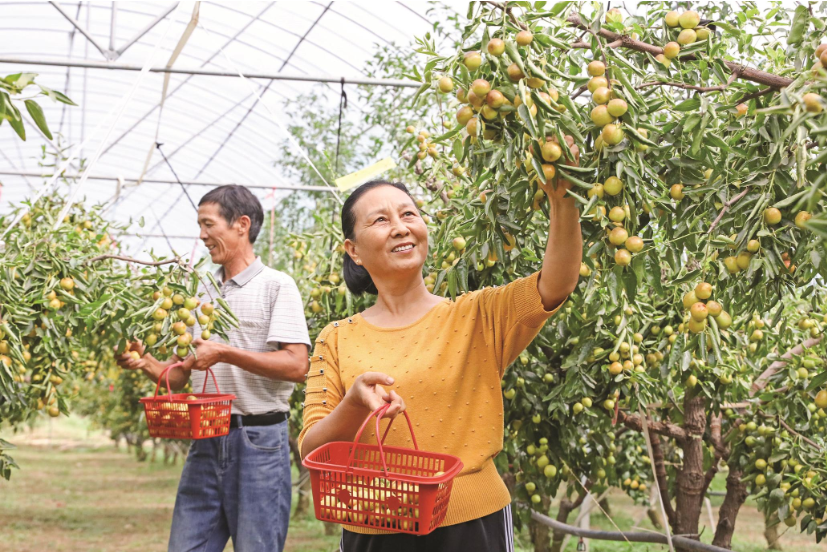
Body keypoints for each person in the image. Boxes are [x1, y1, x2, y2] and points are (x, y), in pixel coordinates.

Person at [298, 138, 581, 552]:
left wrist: (563, 199)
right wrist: (354, 405)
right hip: (371, 524)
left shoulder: (476, 316)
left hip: (470, 522)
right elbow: (311, 446)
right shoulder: (336, 338)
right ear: (353, 251)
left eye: (408, 213)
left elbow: (554, 285)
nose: (399, 226)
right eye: (379, 220)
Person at [116, 185, 310, 552]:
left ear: (241, 224)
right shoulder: (200, 291)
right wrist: (145, 362)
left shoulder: (276, 286)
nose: (202, 235)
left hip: (258, 441)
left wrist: (225, 353)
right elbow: (181, 373)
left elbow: (297, 365)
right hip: (205, 438)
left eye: (208, 224)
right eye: (199, 226)